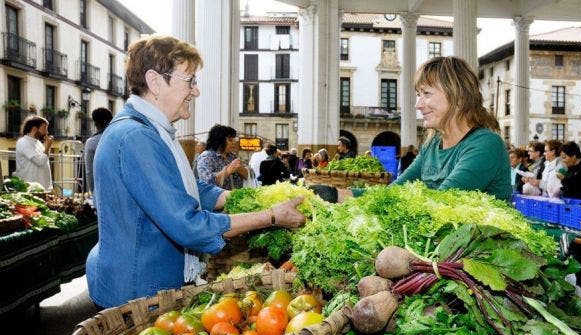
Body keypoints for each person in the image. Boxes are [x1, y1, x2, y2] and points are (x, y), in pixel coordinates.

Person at [87, 35, 305, 309]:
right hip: (137, 293)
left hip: (142, 287)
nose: (196, 91)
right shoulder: (135, 137)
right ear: (155, 82)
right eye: (189, 80)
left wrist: (239, 198)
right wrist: (271, 216)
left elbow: (184, 187)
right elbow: (188, 224)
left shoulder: (151, 130)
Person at [312, 56, 511, 203]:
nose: (418, 104)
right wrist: (336, 194)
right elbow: (396, 191)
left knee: (389, 258)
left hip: (481, 252)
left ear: (458, 98)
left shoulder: (485, 145)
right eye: (418, 94)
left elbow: (439, 202)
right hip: (444, 245)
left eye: (426, 94)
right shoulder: (433, 144)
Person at [196, 124, 247, 189]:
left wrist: (240, 169)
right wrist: (228, 170)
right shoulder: (206, 157)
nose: (234, 142)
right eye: (230, 140)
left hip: (235, 197)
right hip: (217, 198)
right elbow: (206, 182)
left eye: (234, 139)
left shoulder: (232, 156)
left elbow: (248, 176)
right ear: (219, 141)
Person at [14, 115, 53, 190]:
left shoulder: (38, 143)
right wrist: (48, 147)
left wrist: (50, 186)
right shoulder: (23, 142)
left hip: (42, 187)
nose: (47, 132)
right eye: (44, 128)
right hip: (30, 189)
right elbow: (40, 162)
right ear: (34, 129)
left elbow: (45, 162)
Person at [84, 107, 113, 193]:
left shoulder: (92, 142)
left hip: (102, 190)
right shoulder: (119, 138)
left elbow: (90, 172)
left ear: (96, 123)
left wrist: (94, 193)